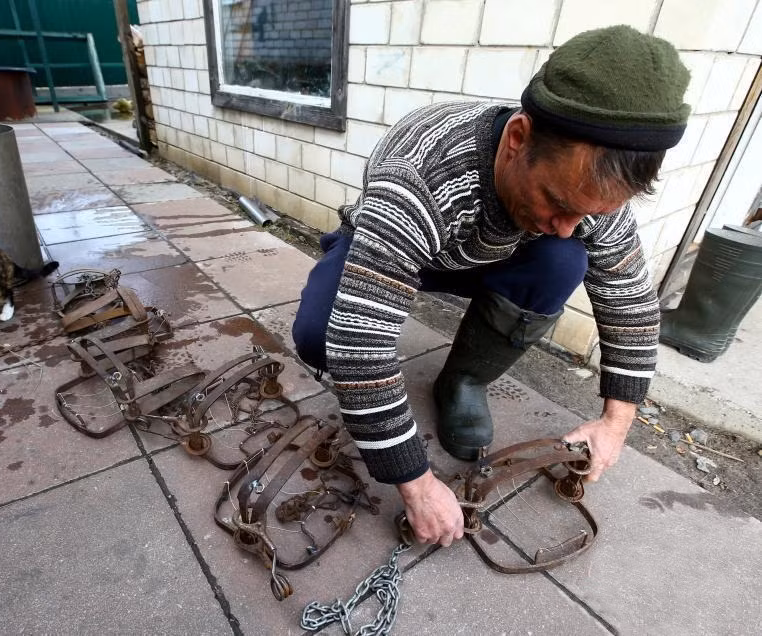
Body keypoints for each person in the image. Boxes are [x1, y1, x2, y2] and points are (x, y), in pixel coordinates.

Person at [291, 25, 690, 546]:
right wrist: (415, 482)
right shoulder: (422, 171)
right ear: (518, 139)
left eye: (589, 213)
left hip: (499, 255)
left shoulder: (589, 196)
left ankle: (463, 380)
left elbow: (631, 302)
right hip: (407, 245)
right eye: (557, 202)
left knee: (563, 259)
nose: (569, 223)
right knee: (324, 333)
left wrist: (616, 422)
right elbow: (359, 343)